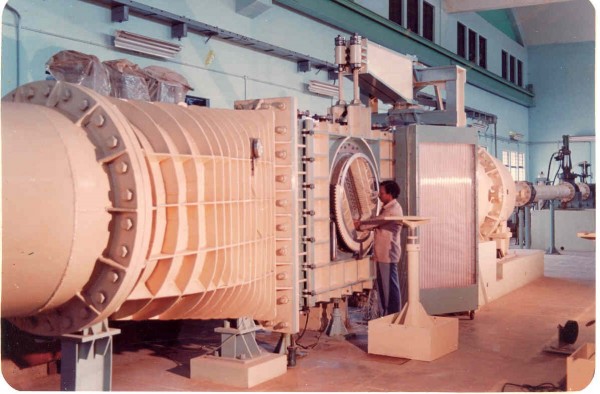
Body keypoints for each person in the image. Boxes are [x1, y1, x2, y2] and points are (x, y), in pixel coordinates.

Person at [353, 180, 403, 316]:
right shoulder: (388, 207)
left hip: (386, 255)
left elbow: (377, 221)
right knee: (387, 288)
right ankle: (390, 316)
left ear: (390, 194)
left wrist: (359, 225)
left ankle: (390, 317)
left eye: (382, 193)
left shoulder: (392, 211)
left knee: (388, 289)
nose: (379, 196)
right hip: (384, 255)